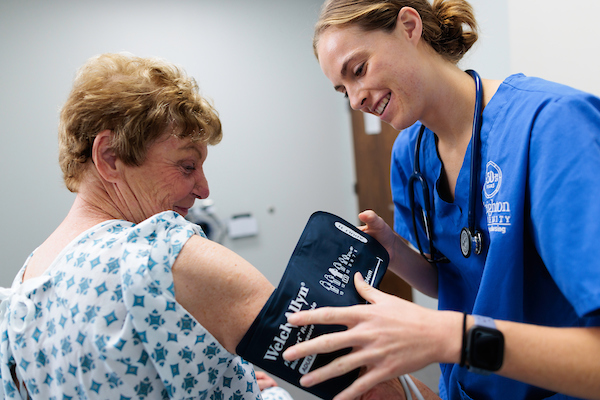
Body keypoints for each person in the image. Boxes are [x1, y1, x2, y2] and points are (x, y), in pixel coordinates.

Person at [282, 1, 600, 399]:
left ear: (409, 27)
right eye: (342, 90)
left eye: (358, 70)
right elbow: (451, 282)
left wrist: (446, 335)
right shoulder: (409, 155)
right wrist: (394, 251)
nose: (355, 100)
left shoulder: (550, 126)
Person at [0, 52, 291, 400]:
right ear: (110, 157)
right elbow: (350, 369)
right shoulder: (160, 255)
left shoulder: (22, 291)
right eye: (186, 165)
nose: (203, 188)